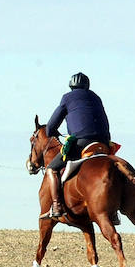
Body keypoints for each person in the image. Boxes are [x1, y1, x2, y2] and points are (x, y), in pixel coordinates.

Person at [41, 72, 111, 218]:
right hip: (103, 142)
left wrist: (53, 132)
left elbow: (50, 127)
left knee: (51, 169)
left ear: (71, 86)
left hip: (82, 142)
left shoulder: (67, 98)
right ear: (87, 86)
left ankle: (56, 206)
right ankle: (113, 210)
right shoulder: (96, 98)